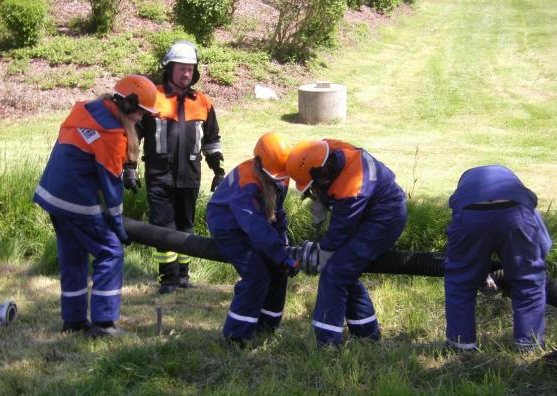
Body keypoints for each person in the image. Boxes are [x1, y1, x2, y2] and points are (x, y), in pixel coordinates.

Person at [32, 75, 159, 337]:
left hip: (52, 196)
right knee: (110, 252)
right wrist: (117, 225)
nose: (141, 118)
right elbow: (112, 190)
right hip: (76, 201)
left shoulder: (84, 111)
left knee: (73, 256)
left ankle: (74, 321)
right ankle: (103, 323)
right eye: (141, 112)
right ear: (127, 104)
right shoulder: (111, 134)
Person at [285, 139, 407, 347]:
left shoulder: (353, 185)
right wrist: (321, 200)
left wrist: (322, 254)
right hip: (366, 209)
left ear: (322, 176)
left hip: (384, 218)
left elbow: (340, 231)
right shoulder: (325, 150)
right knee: (344, 272)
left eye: (313, 186)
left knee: (335, 273)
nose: (312, 191)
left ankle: (326, 344)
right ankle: (366, 334)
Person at [136, 40, 225, 294]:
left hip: (190, 175)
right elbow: (133, 133)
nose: (186, 74)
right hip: (159, 175)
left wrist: (218, 169)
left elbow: (212, 139)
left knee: (186, 225)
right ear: (170, 68)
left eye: (190, 69)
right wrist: (129, 166)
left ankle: (183, 277)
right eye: (181, 68)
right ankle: (168, 280)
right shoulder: (152, 98)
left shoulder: (203, 102)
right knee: (163, 227)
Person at [444, 165, 553, 352]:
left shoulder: (466, 189)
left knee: (460, 282)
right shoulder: (521, 194)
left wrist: (478, 271)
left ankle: (460, 345)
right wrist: (528, 265)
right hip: (516, 213)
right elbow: (543, 244)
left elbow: (462, 245)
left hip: (470, 213)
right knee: (529, 282)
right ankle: (530, 345)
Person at [206, 132, 300, 345]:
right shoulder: (246, 183)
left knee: (278, 272)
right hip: (228, 227)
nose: (280, 180)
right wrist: (279, 254)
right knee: (256, 276)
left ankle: (267, 327)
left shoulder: (279, 175)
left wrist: (282, 247)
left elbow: (277, 214)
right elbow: (255, 227)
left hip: (252, 225)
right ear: (260, 164)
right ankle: (235, 336)